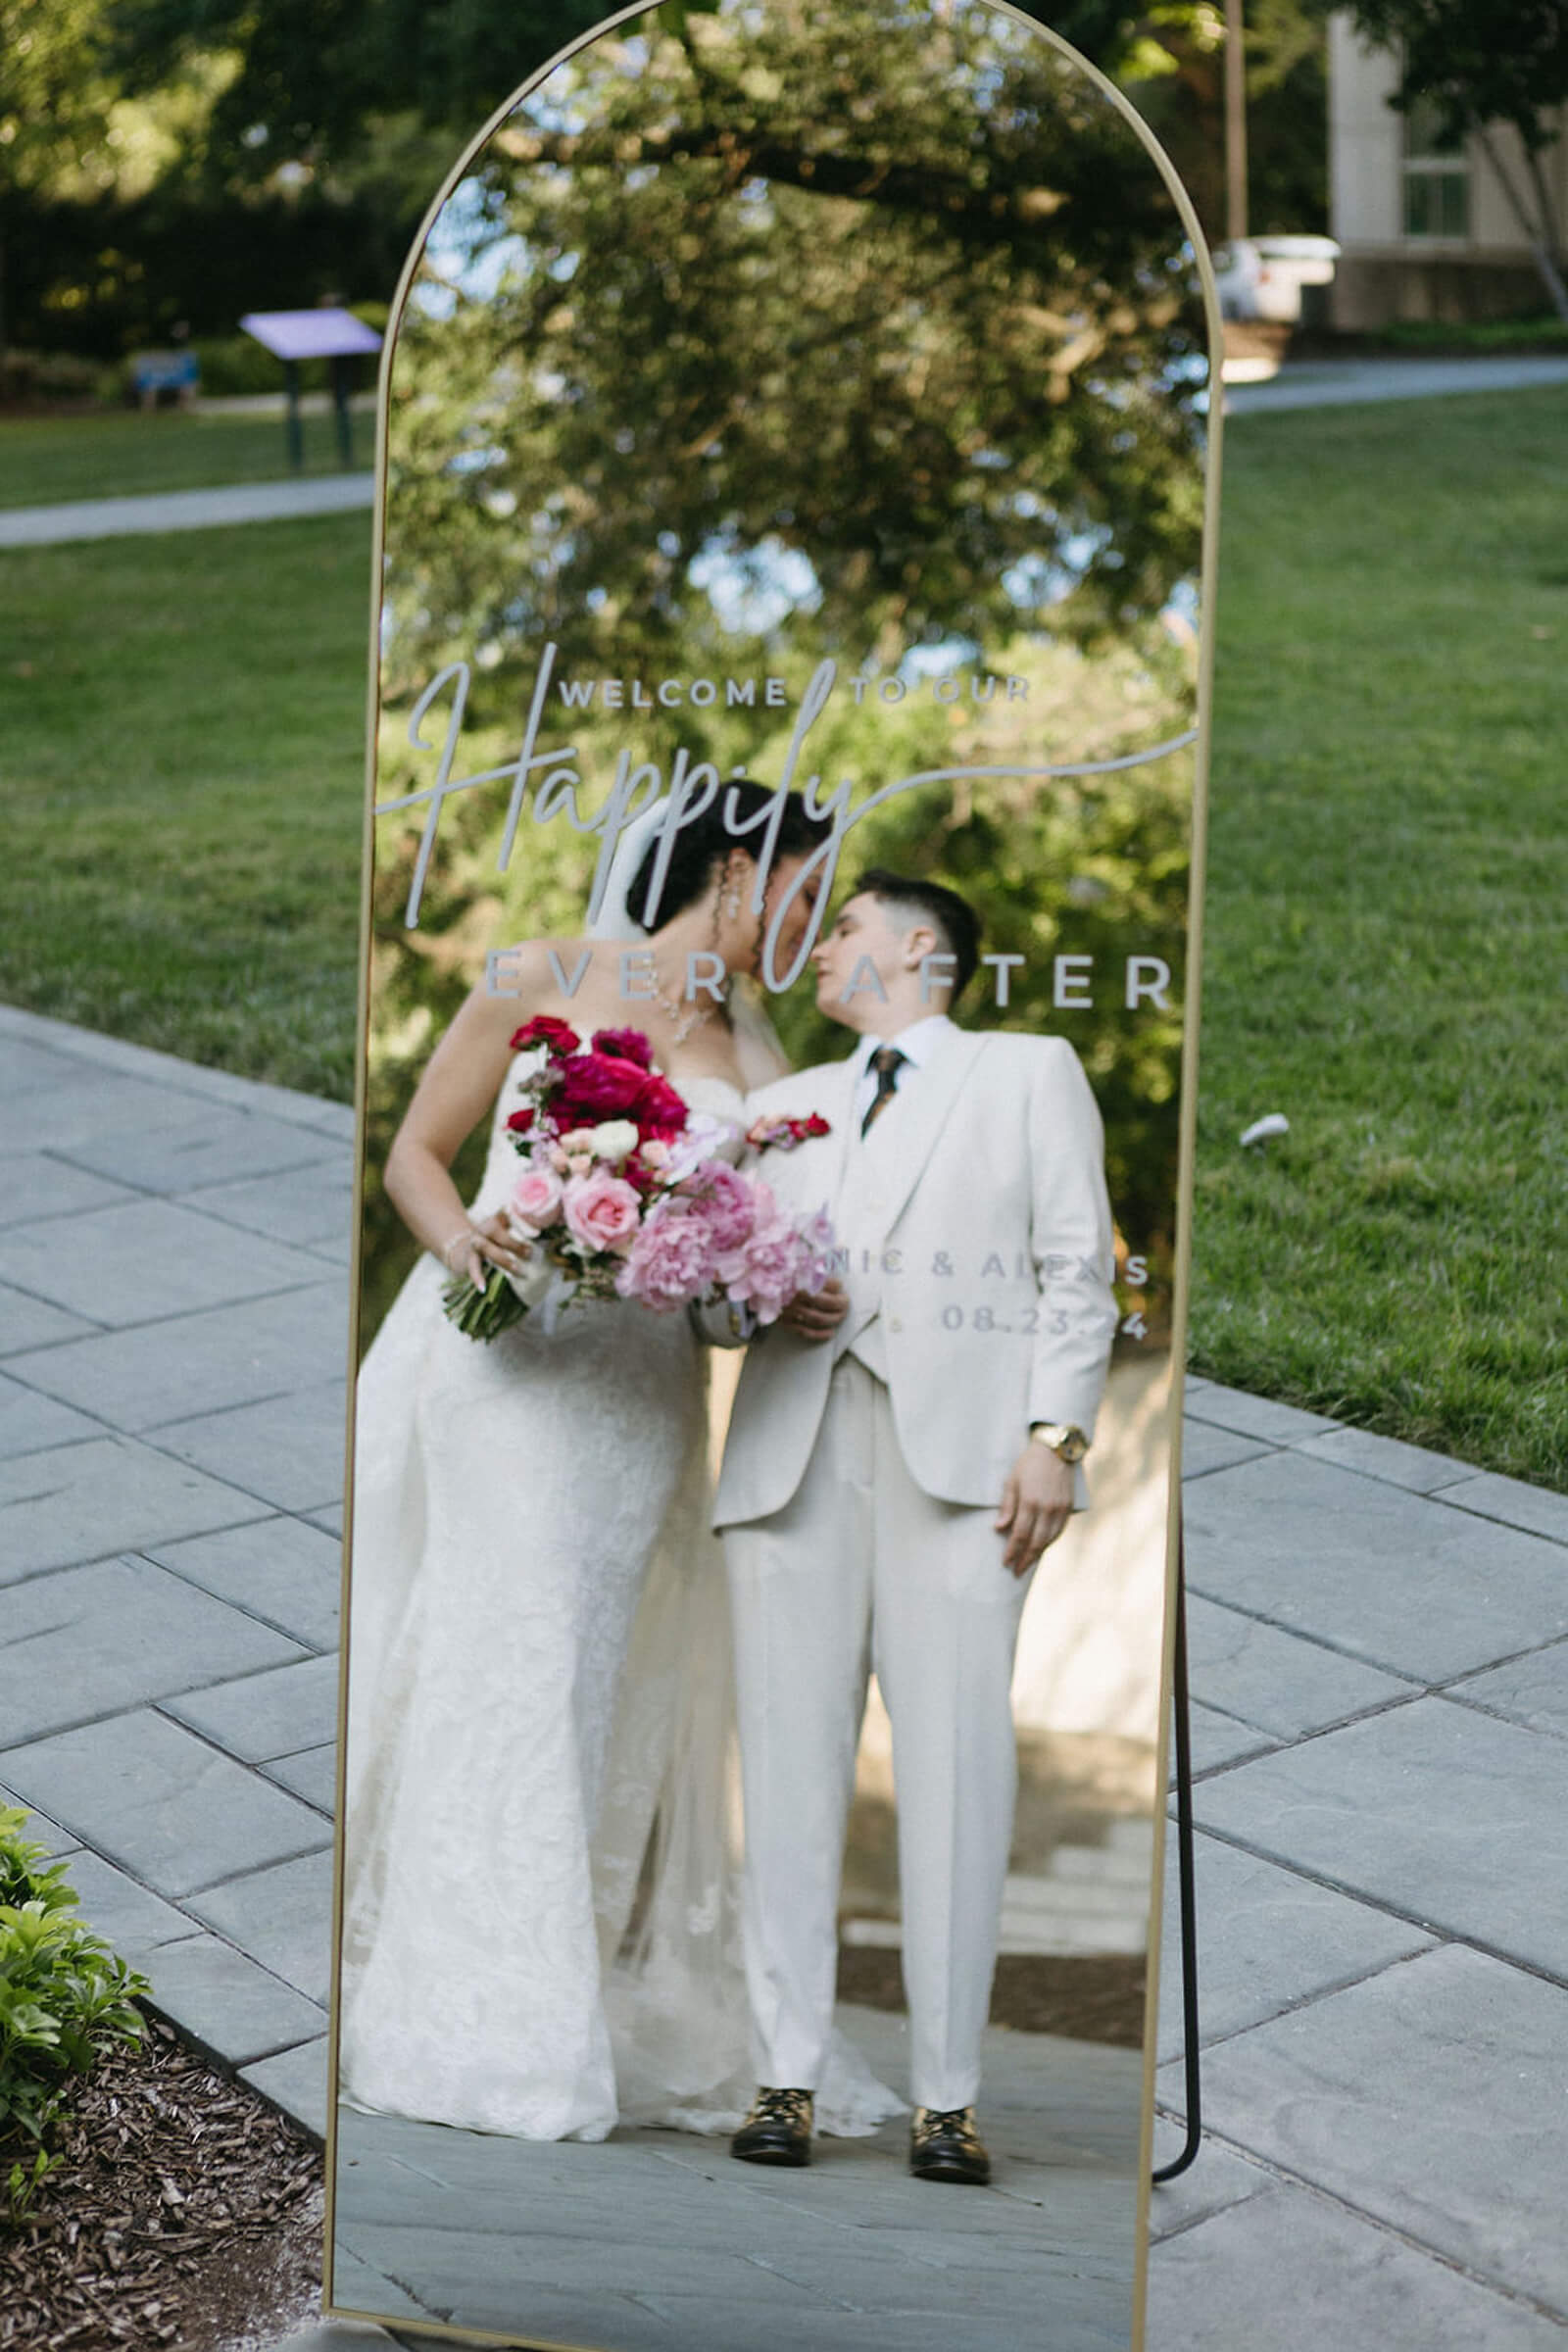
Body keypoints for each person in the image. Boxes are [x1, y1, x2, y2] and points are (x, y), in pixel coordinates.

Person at [338, 784, 868, 2141]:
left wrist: (784, 1295)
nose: (812, 923)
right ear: (739, 870)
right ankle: (481, 2019)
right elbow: (416, 1158)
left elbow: (745, 1268)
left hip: (640, 1399)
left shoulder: (756, 1050)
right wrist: (471, 1245)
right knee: (508, 1654)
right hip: (508, 1367)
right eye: (807, 891)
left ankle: (545, 1985)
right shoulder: (541, 971)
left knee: (579, 1680)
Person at [711, 870, 1119, 2183]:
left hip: (968, 1476)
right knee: (785, 1772)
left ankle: (949, 2101)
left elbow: (1078, 1263)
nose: (824, 943)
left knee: (957, 1773)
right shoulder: (782, 1107)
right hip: (791, 1463)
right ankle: (784, 2078)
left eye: (846, 925)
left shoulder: (1026, 1071)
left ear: (920, 947)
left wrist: (1057, 1437)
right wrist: (757, 1302)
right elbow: (709, 1299)